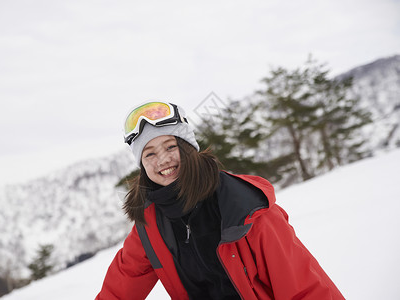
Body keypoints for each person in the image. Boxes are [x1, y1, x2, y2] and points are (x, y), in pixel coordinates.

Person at [95, 101, 344, 300]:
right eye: (149, 154)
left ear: (189, 148)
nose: (162, 161)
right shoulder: (150, 223)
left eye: (171, 147)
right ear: (142, 165)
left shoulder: (245, 209)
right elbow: (121, 287)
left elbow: (302, 286)